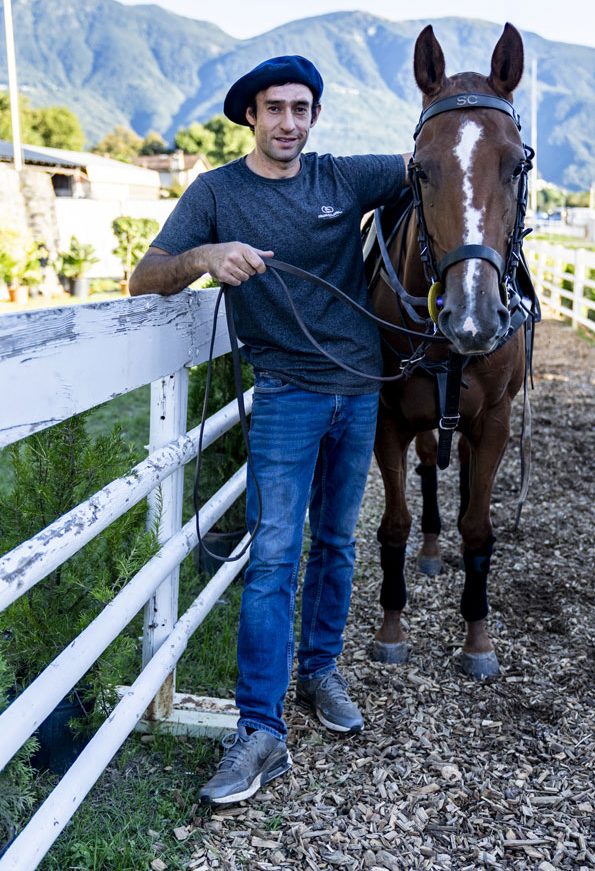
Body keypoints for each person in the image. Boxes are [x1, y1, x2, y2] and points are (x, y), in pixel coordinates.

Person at [130, 55, 409, 806]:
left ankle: (319, 671)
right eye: (275, 108)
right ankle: (260, 730)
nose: (289, 122)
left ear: (314, 115)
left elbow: (435, 164)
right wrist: (204, 255)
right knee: (273, 558)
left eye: (301, 108)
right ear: (250, 116)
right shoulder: (216, 193)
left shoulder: (341, 178)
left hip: (360, 389)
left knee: (338, 541)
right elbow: (144, 277)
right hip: (286, 393)